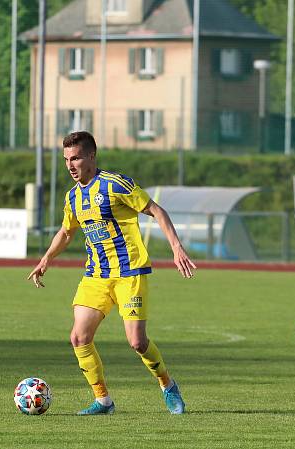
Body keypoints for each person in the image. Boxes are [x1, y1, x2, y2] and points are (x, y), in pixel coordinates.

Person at [28, 131, 196, 415]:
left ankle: (167, 385)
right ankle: (103, 400)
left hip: (129, 273)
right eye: (66, 159)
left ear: (91, 156)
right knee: (79, 337)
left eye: (76, 158)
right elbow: (67, 231)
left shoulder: (115, 185)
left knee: (137, 342)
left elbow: (157, 210)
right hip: (96, 275)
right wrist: (46, 259)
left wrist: (176, 247)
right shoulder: (73, 197)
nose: (70, 165)